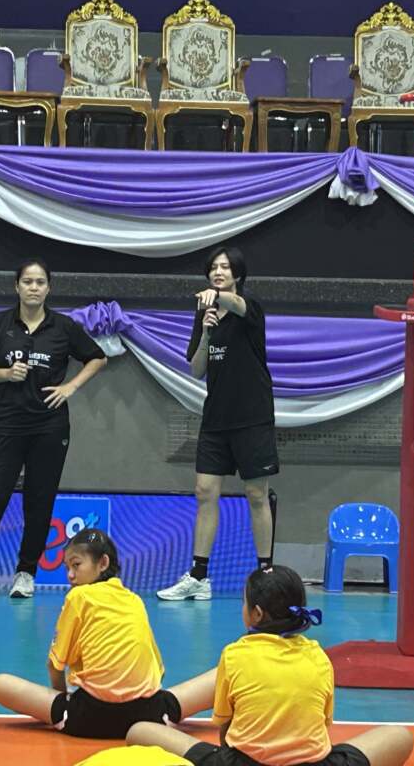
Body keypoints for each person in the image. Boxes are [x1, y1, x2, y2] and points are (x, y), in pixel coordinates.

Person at [130, 566, 414, 766]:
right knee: (399, 736)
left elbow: (226, 731)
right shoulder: (318, 656)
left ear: (256, 613)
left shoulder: (235, 655)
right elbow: (322, 727)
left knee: (140, 730)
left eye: (244, 603)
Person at [0, 259, 107, 600]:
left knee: (39, 502)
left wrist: (71, 387)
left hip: (49, 427)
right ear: (17, 286)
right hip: (6, 424)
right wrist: (5, 374)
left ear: (48, 288)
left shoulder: (63, 327)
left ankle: (25, 573)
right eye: (28, 281)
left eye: (40, 282)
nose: (34, 287)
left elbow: (98, 358)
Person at [0, 528, 216, 739]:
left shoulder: (77, 596)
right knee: (221, 673)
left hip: (87, 719)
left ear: (103, 563)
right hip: (150, 719)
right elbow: (158, 673)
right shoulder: (134, 599)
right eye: (67, 568)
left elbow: (54, 666)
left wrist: (61, 703)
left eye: (76, 565)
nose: (70, 575)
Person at [158, 247, 278, 601]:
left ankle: (265, 574)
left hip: (252, 417)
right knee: (205, 491)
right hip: (215, 419)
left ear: (237, 274)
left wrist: (218, 296)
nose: (218, 271)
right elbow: (197, 368)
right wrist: (207, 333)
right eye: (213, 268)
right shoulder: (204, 314)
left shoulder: (249, 308)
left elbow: (236, 304)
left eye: (225, 267)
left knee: (256, 494)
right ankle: (199, 575)